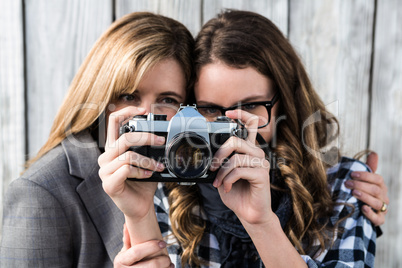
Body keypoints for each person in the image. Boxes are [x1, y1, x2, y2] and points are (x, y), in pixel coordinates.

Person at [100, 10, 389, 268]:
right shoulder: (171, 186)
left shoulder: (345, 186)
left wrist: (261, 223)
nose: (233, 127)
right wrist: (139, 217)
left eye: (250, 106)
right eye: (211, 109)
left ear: (285, 103)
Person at [0, 12, 194, 267]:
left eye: (168, 100)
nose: (147, 116)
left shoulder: (190, 167)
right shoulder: (40, 194)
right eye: (128, 96)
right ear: (102, 96)